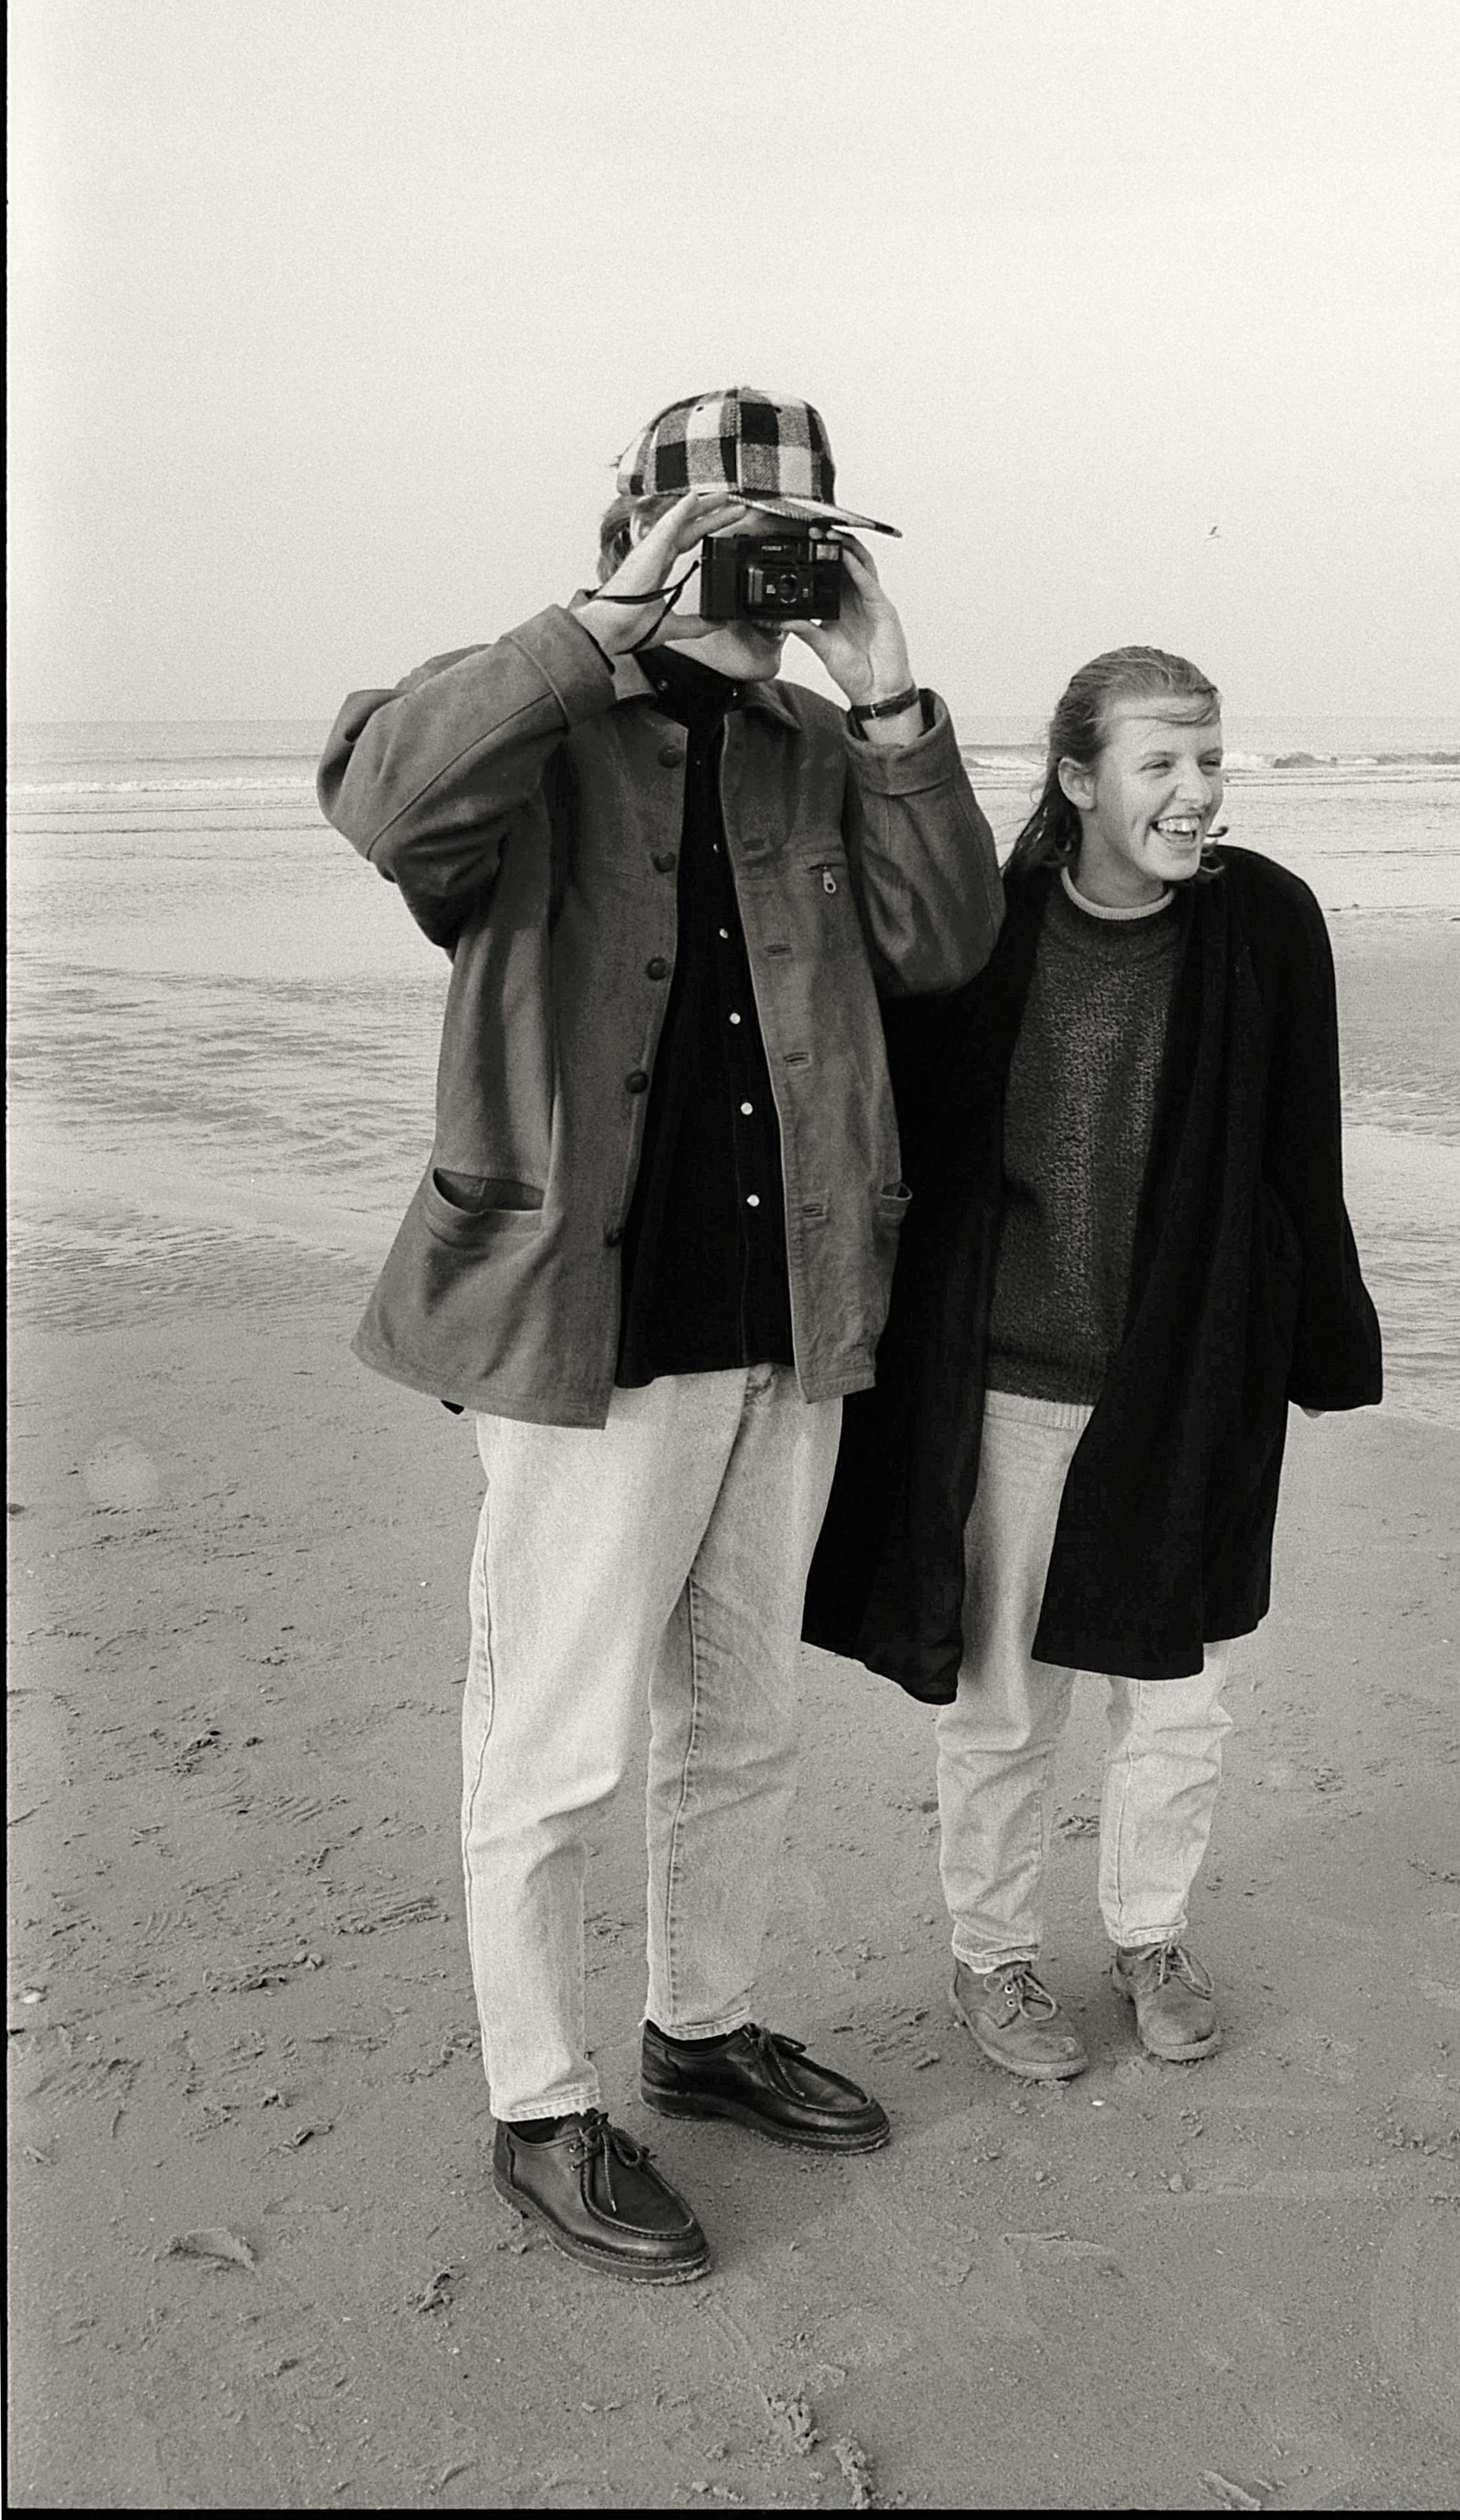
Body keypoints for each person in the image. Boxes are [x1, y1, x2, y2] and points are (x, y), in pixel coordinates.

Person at [317, 386, 1001, 2278]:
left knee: (745, 1719)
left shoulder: (819, 738)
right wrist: (594, 626)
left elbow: (943, 945)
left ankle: (697, 2031)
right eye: (728, 538)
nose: (768, 574)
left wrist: (890, 701)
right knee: (551, 1747)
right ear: (641, 534)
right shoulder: (525, 719)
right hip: (577, 1323)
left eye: (804, 542)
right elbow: (383, 805)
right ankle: (542, 2109)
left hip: (792, 1312)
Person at [804, 645, 1381, 2079]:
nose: (1197, 794)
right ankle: (995, 1961)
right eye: (1161, 764)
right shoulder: (983, 932)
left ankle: (1149, 1936)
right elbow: (899, 1146)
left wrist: (1319, 1340)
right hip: (1005, 1386)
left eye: (1210, 759)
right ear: (1077, 780)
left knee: (1180, 1699)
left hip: (1187, 1378)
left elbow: (1301, 1146)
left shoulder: (1266, 924)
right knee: (1004, 1706)